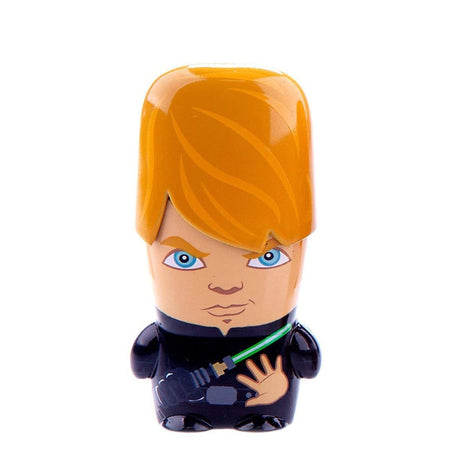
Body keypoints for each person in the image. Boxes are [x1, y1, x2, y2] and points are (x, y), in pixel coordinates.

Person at [131, 66, 320, 431]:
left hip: (265, 400)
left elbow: (307, 364)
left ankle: (260, 414)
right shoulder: (169, 336)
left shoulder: (280, 338)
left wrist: (278, 388)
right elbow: (143, 361)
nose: (226, 286)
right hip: (183, 397)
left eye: (267, 258)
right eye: (185, 259)